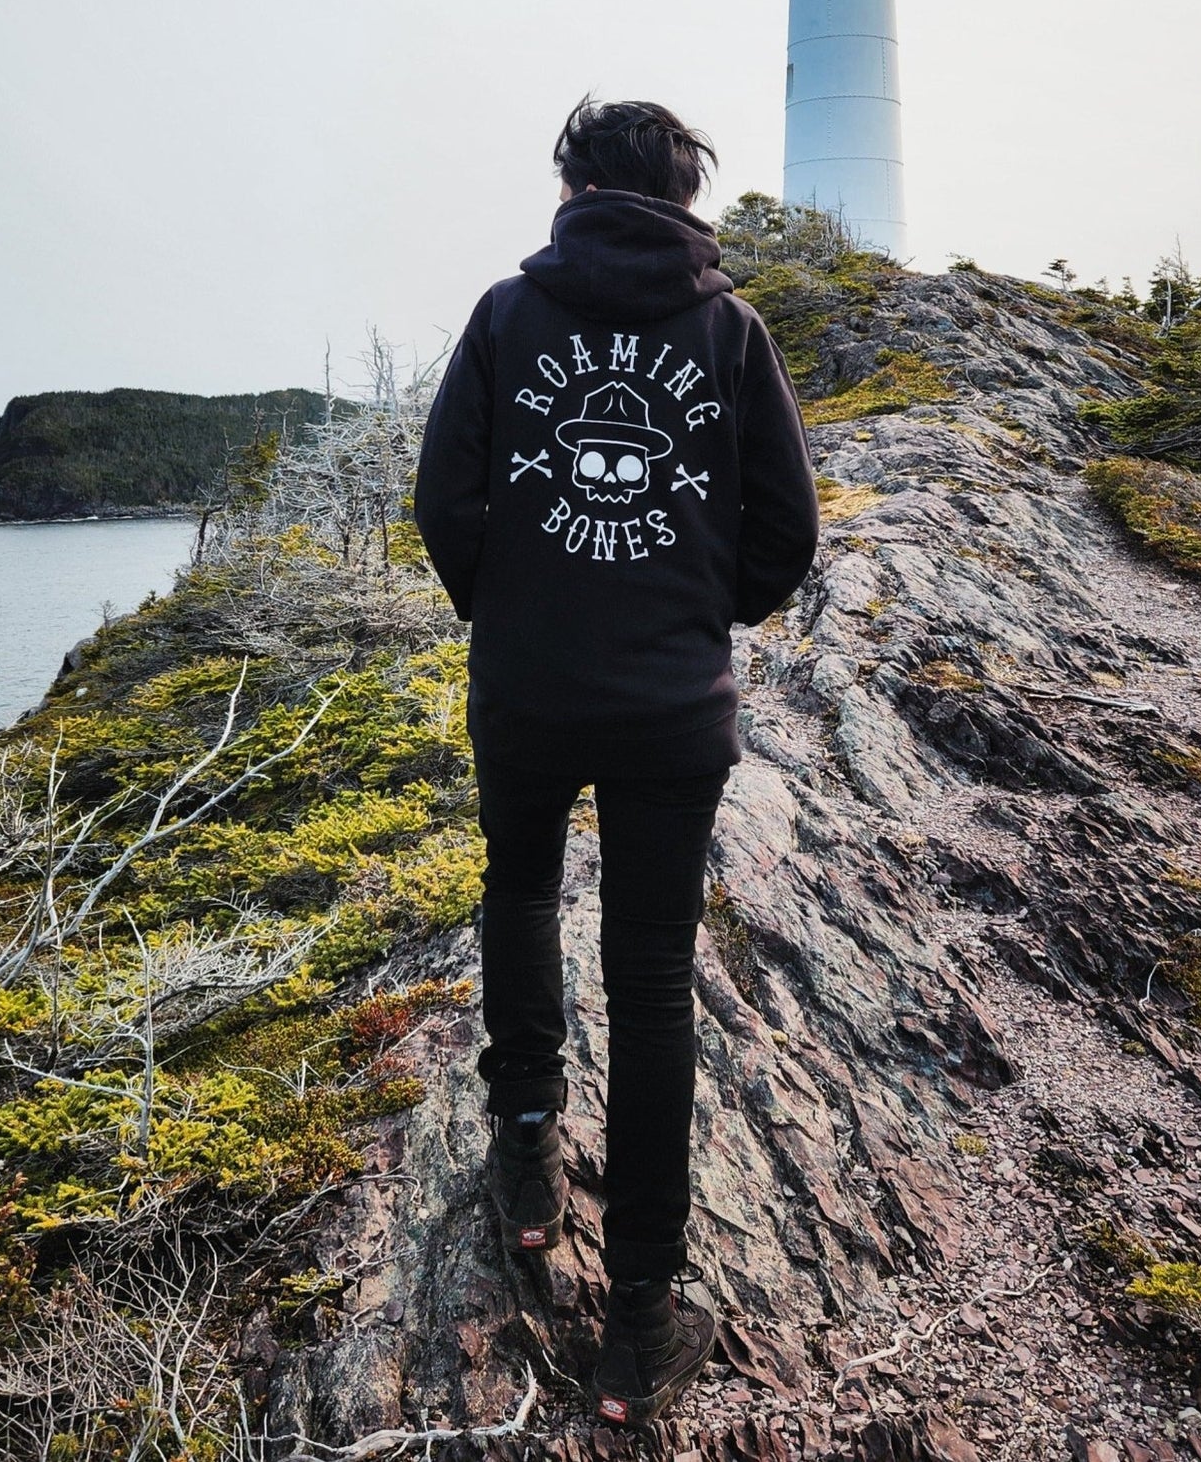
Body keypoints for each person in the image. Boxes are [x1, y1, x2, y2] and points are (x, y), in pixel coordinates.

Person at [413, 98, 819, 1428]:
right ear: (685, 192)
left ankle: (527, 1155)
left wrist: (513, 610)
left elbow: (444, 498)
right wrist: (699, 613)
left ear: (575, 186)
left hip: (527, 692)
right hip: (668, 709)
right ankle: (640, 1319)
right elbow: (787, 529)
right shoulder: (730, 330)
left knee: (521, 890)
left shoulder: (505, 315)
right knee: (649, 984)